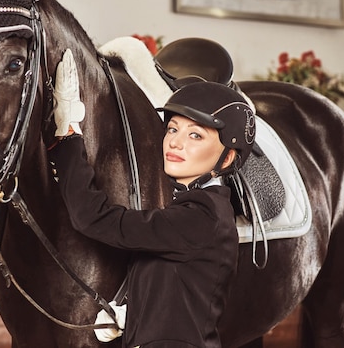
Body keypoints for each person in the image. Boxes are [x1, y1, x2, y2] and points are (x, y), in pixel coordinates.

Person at [46, 49, 256, 347]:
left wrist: (67, 137)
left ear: (227, 158)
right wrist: (137, 316)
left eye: (195, 135)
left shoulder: (201, 216)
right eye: (172, 129)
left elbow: (93, 218)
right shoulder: (192, 209)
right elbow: (178, 289)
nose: (175, 142)